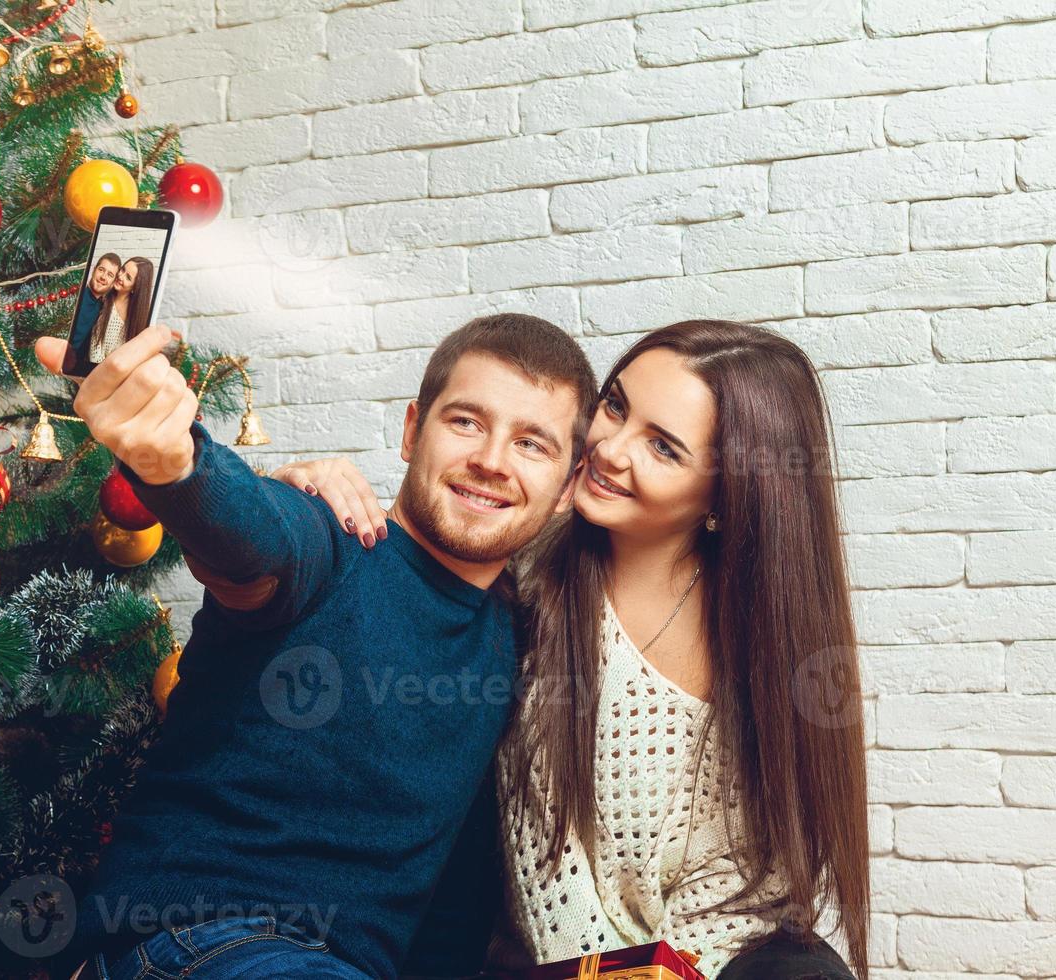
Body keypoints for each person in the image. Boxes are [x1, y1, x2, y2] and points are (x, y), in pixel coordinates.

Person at [272, 320, 869, 980]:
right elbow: (394, 568)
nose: (609, 448)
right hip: (518, 952)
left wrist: (664, 970)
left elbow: (750, 886)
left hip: (701, 953)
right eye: (615, 406)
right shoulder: (516, 565)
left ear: (726, 495)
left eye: (663, 448)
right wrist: (306, 491)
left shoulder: (764, 640)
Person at [32, 313, 599, 980]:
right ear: (414, 431)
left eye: (532, 444)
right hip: (191, 944)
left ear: (568, 487)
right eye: (466, 422)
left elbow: (457, 900)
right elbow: (252, 539)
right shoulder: (331, 538)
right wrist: (175, 462)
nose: (491, 461)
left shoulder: (516, 641)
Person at [87, 256, 155, 364]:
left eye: (128, 277)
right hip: (91, 367)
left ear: (135, 288)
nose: (120, 276)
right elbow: (95, 341)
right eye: (122, 269)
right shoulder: (104, 298)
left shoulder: (136, 319)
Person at [64, 252, 122, 375]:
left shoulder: (104, 309)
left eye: (110, 275)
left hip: (77, 369)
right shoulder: (74, 296)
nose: (103, 277)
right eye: (101, 270)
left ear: (113, 282)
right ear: (94, 269)